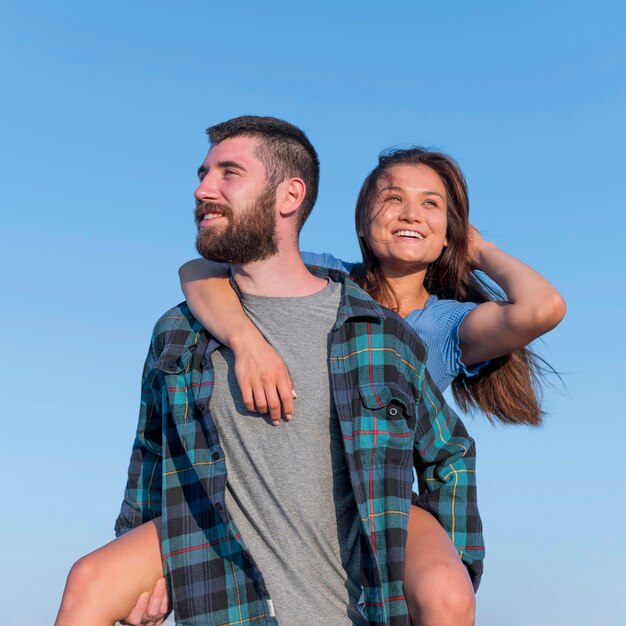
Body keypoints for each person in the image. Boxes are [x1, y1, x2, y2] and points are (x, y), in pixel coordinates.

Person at [54, 116, 484, 626]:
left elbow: (449, 454)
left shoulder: (380, 335)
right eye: (204, 172)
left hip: (356, 604)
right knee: (88, 580)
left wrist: (449, 562)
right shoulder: (179, 332)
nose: (202, 189)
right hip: (229, 602)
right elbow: (149, 458)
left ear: (289, 195)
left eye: (228, 173)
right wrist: (145, 570)